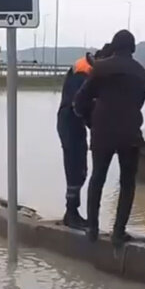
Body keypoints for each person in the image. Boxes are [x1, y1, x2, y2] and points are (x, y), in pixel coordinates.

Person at [74, 30, 145, 246]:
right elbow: (139, 103)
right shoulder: (142, 74)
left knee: (97, 177)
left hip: (102, 131)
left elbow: (80, 101)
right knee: (127, 183)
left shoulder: (101, 68)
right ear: (132, 49)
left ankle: (92, 229)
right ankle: (118, 232)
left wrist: (90, 120)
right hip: (130, 133)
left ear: (114, 47)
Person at [57, 53, 93, 229]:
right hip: (70, 121)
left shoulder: (84, 67)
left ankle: (73, 212)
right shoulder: (83, 72)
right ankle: (71, 213)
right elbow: (79, 103)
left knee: (80, 170)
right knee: (75, 169)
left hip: (72, 122)